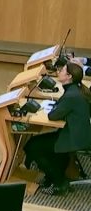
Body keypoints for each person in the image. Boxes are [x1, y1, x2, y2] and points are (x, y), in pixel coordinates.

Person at [23, 61, 91, 196]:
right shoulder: (76, 89)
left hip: (76, 138)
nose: (58, 72)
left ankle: (59, 183)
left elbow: (53, 115)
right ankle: (53, 178)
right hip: (79, 133)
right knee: (46, 145)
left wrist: (55, 108)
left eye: (62, 70)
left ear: (69, 76)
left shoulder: (72, 95)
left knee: (33, 146)